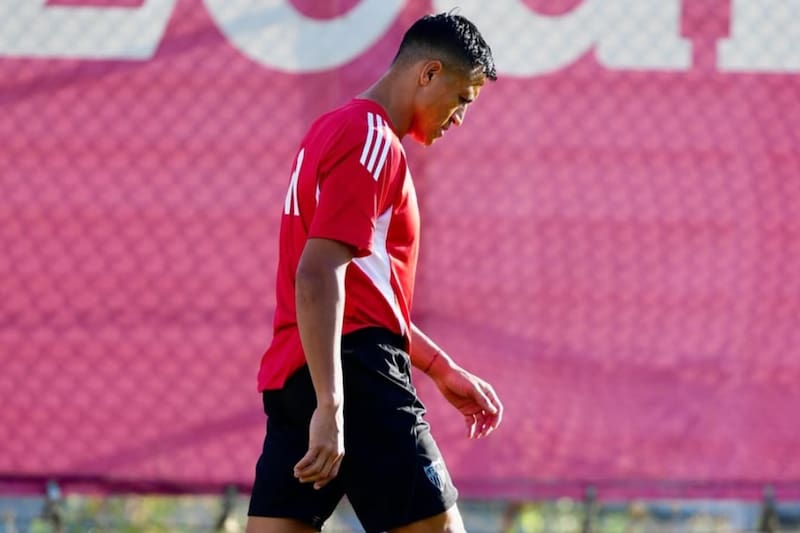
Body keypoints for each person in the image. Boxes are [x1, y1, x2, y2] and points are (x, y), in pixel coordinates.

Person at [247, 12, 504, 533]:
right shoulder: (372, 141)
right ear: (429, 74)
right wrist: (334, 403)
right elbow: (317, 276)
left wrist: (438, 367)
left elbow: (363, 294)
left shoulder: (334, 130)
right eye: (461, 100)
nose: (459, 119)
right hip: (355, 378)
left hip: (306, 371)